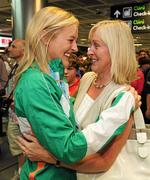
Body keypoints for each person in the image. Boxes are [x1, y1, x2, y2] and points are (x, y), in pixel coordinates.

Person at [14, 14, 140, 180]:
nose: (88, 51)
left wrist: (51, 158)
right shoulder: (87, 79)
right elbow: (64, 115)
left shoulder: (124, 97)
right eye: (89, 44)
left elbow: (104, 162)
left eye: (96, 45)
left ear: (116, 50)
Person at [6, 39, 25, 179]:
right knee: (18, 147)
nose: (9, 49)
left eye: (13, 46)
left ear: (24, 50)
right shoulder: (15, 66)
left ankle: (22, 173)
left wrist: (17, 102)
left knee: (22, 147)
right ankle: (21, 171)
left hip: (21, 115)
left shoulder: (26, 68)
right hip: (14, 114)